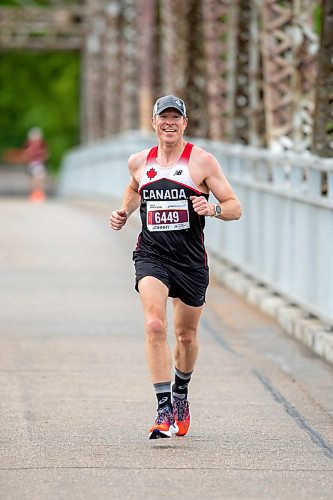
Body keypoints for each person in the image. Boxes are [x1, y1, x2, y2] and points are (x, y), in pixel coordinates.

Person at [110, 95, 242, 440]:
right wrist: (123, 211)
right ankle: (163, 407)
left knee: (186, 335)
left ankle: (181, 394)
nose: (169, 123)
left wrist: (211, 209)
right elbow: (133, 188)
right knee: (155, 325)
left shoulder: (202, 162)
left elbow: (234, 206)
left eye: (175, 118)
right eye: (163, 117)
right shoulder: (139, 161)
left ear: (185, 123)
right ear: (154, 123)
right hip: (152, 255)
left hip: (190, 262)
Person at [22, 127, 48, 202]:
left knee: (39, 179)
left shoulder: (43, 145)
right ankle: (34, 193)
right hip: (32, 164)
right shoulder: (28, 145)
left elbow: (46, 155)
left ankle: (39, 193)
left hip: (39, 164)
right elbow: (25, 155)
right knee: (34, 179)